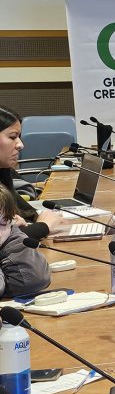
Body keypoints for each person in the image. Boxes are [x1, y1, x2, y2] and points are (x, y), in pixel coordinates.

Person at [0, 106, 52, 297]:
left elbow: (21, 218)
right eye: (13, 137)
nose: (20, 145)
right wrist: (44, 227)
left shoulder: (3, 173)